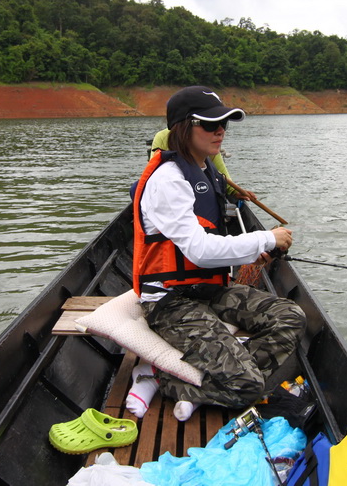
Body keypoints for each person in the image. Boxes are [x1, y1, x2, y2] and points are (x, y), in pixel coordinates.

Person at [126, 85, 306, 422]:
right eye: (210, 124)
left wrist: (248, 253)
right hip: (171, 300)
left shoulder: (209, 172)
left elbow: (213, 241)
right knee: (251, 387)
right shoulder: (168, 180)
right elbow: (198, 248)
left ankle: (219, 375)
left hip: (208, 288)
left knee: (291, 317)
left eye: (224, 123)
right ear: (182, 127)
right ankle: (160, 378)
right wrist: (264, 239)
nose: (220, 130)